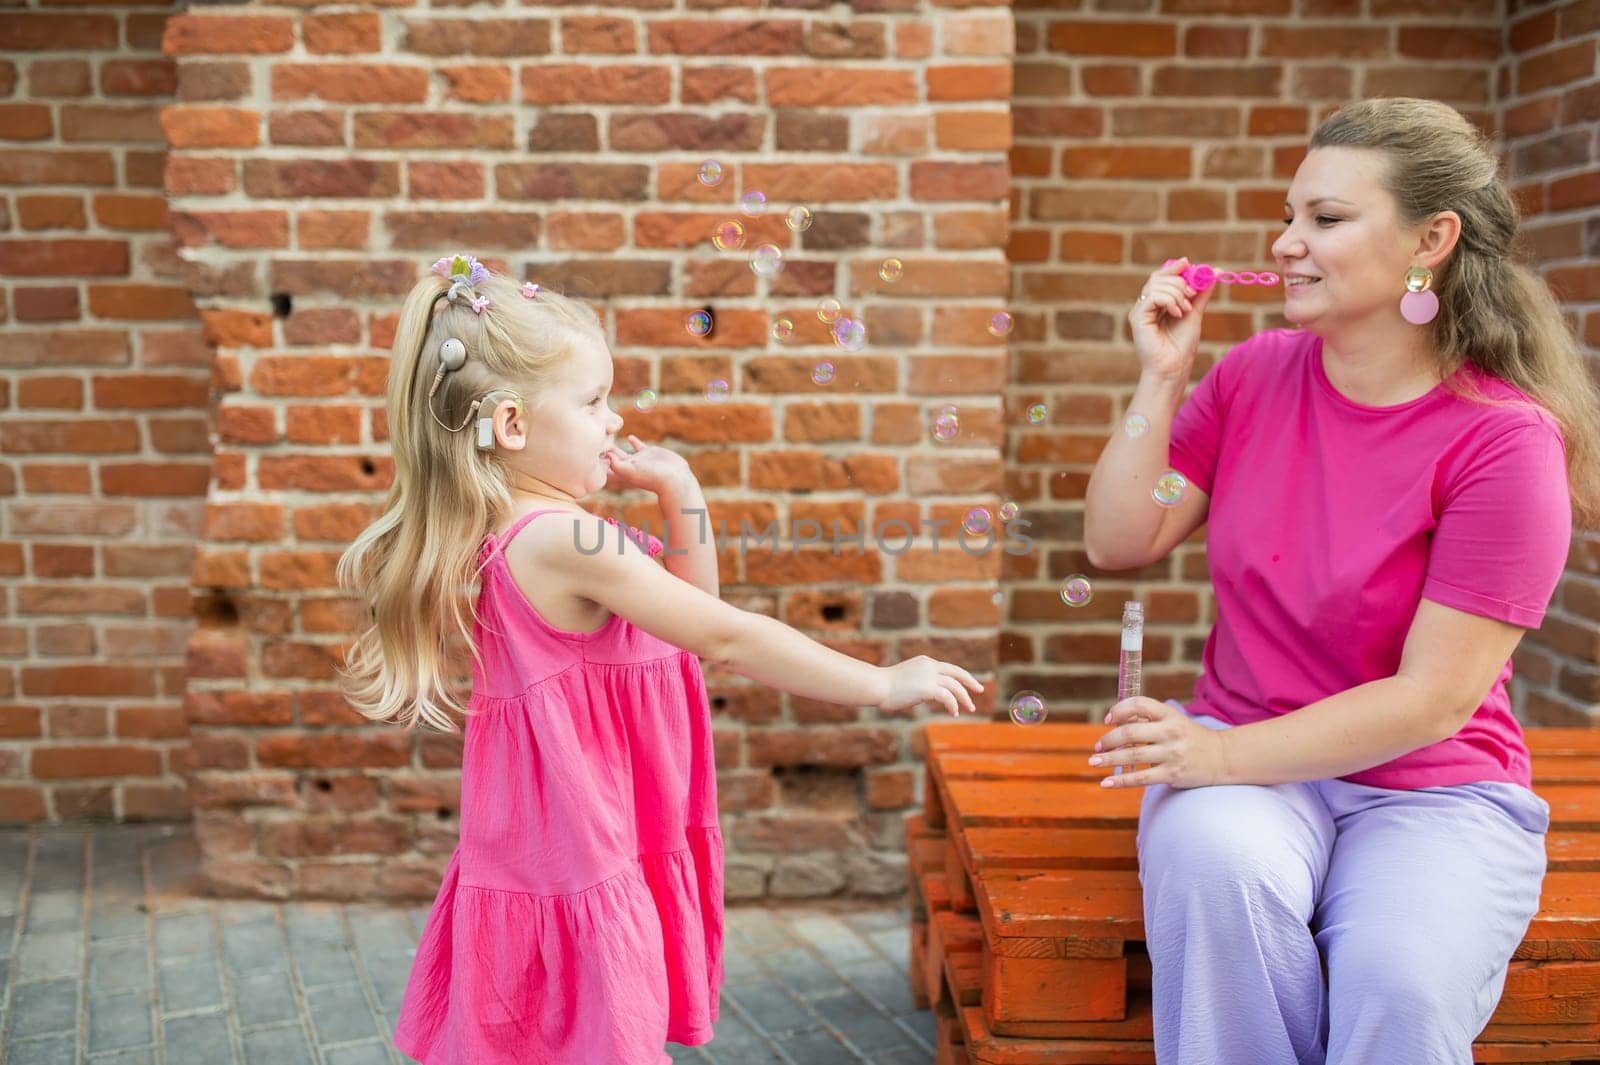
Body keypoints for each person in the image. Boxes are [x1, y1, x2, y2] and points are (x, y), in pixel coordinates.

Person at [336, 254, 984, 1065]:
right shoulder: (566, 540)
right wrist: (882, 683)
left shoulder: (513, 534)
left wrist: (680, 497)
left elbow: (693, 618)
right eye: (594, 400)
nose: (614, 421)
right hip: (588, 841)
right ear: (511, 426)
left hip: (553, 842)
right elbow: (724, 635)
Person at [1081, 97, 1600, 1064]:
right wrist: (1161, 377)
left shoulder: (1504, 441)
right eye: (1289, 216)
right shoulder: (1252, 376)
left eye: (1324, 218)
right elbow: (1121, 536)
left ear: (1430, 239)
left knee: (1398, 986)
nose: (1285, 243)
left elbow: (1433, 698)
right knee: (1215, 869)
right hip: (1244, 756)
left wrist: (1210, 759)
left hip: (1431, 789)